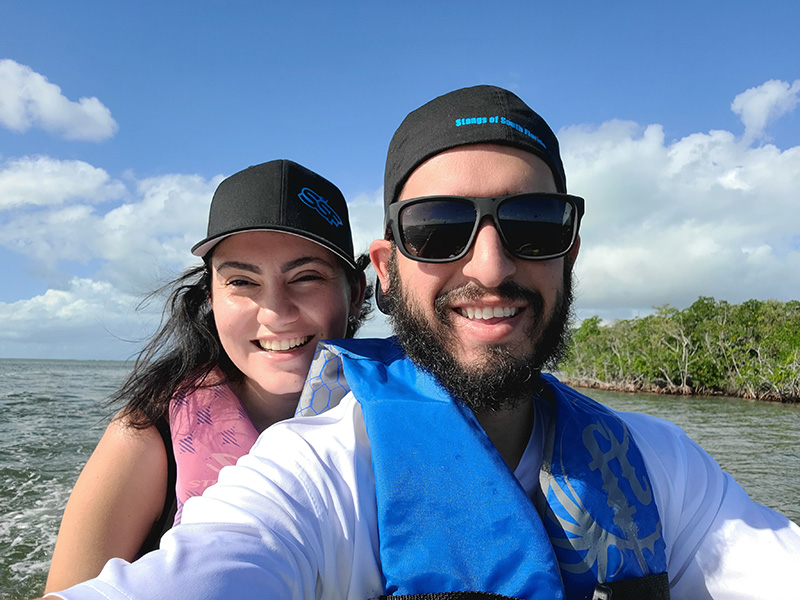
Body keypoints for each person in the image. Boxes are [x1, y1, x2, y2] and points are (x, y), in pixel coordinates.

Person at [43, 87, 800, 600]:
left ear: (355, 292)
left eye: (534, 223)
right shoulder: (312, 467)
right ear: (390, 266)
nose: (492, 266)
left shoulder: (661, 466)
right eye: (438, 230)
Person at [43, 159, 369, 593]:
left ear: (356, 291)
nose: (275, 312)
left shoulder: (401, 414)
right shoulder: (145, 436)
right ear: (212, 297)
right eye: (241, 282)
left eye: (306, 277)